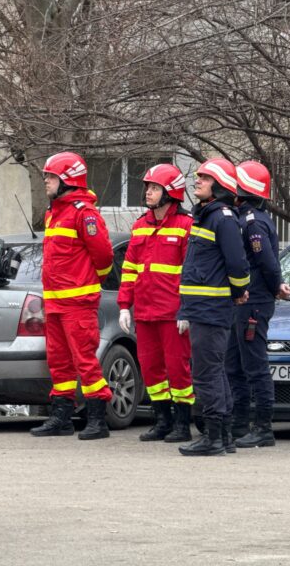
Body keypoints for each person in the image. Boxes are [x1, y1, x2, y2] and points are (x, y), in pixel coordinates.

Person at [31, 152, 115, 441]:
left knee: (85, 360)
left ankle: (97, 419)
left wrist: (90, 280)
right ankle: (62, 417)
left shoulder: (84, 213)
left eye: (51, 176)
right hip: (54, 301)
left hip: (78, 302)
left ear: (67, 179)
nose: (46, 181)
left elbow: (104, 255)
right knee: (59, 361)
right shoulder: (54, 212)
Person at [177, 158, 250, 457]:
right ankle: (224, 436)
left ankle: (214, 437)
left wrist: (239, 290)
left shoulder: (221, 217)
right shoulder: (207, 216)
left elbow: (237, 264)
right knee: (214, 371)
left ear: (219, 186)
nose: (197, 182)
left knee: (207, 374)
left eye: (204, 179)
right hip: (203, 308)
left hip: (211, 308)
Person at [117, 164, 196, 443]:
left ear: (170, 192)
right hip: (146, 312)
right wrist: (124, 305)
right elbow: (129, 270)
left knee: (178, 369)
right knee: (151, 369)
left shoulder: (187, 226)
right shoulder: (140, 226)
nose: (148, 192)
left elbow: (191, 272)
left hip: (173, 313)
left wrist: (187, 309)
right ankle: (162, 421)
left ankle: (183, 424)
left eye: (154, 187)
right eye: (148, 187)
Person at [228, 161, 290, 449]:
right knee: (234, 364)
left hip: (253, 301)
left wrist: (276, 285)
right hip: (243, 301)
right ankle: (239, 423)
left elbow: (266, 261)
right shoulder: (246, 218)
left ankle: (263, 428)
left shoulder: (252, 222)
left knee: (254, 365)